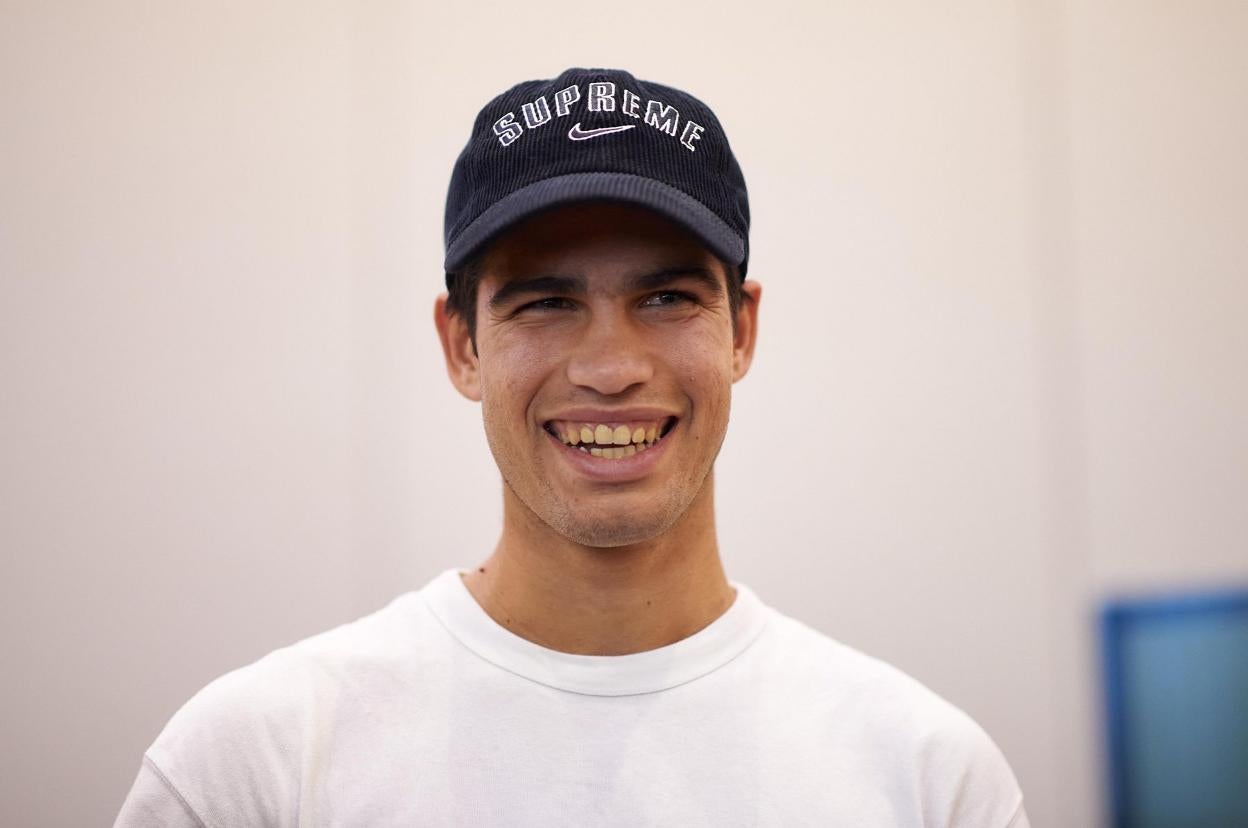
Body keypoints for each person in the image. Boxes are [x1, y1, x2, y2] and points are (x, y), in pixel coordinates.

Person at [114, 67, 1030, 827]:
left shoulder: (927, 781)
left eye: (667, 297)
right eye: (545, 301)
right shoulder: (256, 767)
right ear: (462, 344)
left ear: (741, 332)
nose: (609, 367)